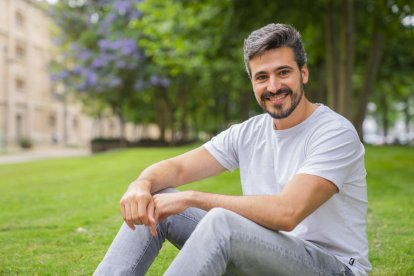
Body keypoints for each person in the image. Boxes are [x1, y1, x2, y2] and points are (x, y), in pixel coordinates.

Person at [94, 23, 371, 276]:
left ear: (304, 73)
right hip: (266, 257)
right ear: (252, 82)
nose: (273, 86)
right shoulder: (249, 132)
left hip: (334, 268)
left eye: (283, 72)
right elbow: (176, 169)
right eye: (262, 77)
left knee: (222, 223)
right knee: (159, 197)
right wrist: (140, 185)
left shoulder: (335, 132)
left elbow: (287, 213)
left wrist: (192, 198)